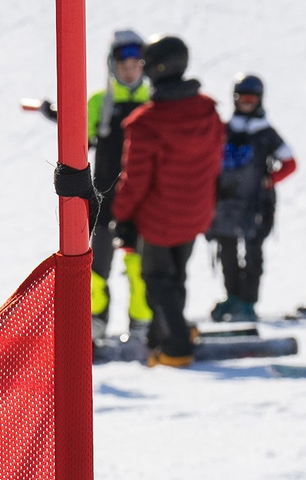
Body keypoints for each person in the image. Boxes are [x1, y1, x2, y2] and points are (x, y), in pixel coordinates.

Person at [110, 36, 221, 368]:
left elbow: (135, 179)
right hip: (196, 212)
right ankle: (165, 335)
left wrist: (122, 216)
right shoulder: (207, 110)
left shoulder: (147, 122)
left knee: (157, 281)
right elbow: (216, 160)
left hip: (159, 218)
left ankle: (174, 346)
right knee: (177, 275)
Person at [69, 28, 152, 346]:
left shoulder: (153, 103)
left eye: (135, 62)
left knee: (138, 267)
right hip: (104, 196)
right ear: (112, 65)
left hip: (142, 201)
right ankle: (95, 322)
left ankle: (142, 322)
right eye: (122, 63)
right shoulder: (100, 103)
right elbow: (80, 137)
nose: (129, 69)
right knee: (96, 268)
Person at [207, 74, 295, 323]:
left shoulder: (266, 134)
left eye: (251, 98)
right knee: (227, 251)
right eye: (242, 98)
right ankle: (232, 296)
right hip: (225, 203)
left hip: (256, 204)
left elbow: (290, 163)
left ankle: (247, 302)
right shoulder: (224, 130)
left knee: (253, 252)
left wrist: (271, 180)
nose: (247, 103)